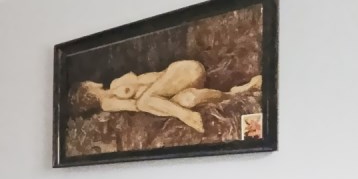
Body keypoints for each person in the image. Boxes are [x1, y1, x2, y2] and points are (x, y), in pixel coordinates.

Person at [79, 61, 261, 134]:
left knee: (145, 101)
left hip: (182, 72)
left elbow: (140, 104)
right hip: (175, 92)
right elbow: (133, 106)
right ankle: (236, 92)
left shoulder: (114, 85)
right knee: (189, 99)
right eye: (86, 85)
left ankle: (186, 115)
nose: (89, 82)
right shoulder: (107, 103)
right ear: (87, 92)